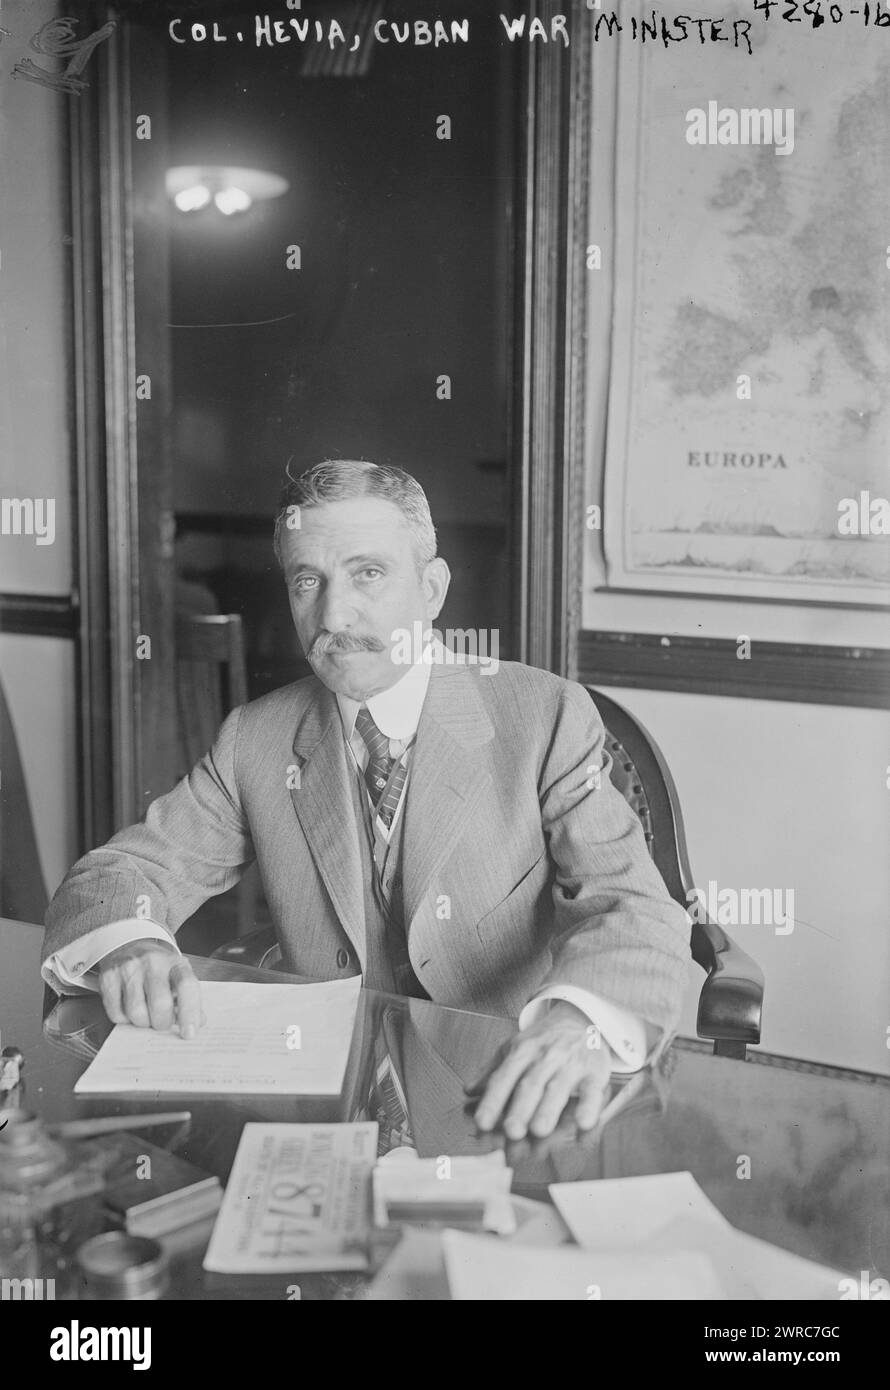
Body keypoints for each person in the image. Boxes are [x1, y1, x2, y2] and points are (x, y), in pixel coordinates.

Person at [43, 459, 691, 1139]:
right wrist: (129, 944)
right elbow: (120, 875)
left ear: (432, 589)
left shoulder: (544, 716)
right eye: (306, 581)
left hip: (508, 1104)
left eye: (368, 574)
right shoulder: (256, 740)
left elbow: (633, 906)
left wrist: (579, 1021)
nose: (334, 614)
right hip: (327, 1109)